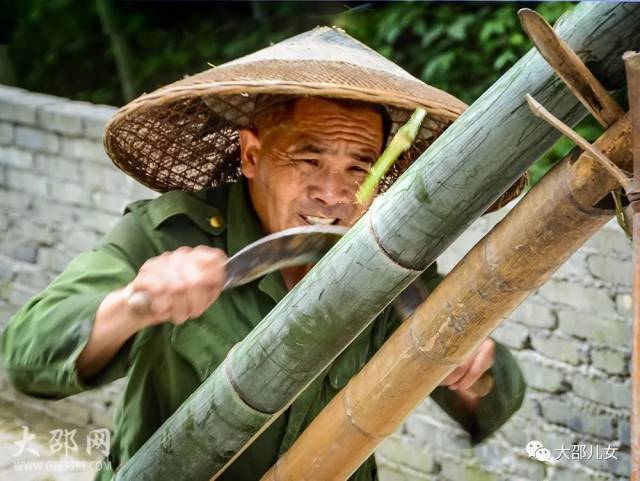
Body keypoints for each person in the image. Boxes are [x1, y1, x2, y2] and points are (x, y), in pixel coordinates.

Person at [0, 27, 526, 481]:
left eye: (358, 168)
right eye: (308, 159)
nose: (332, 194)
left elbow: (493, 393)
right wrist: (135, 304)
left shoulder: (384, 258)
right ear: (252, 155)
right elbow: (28, 350)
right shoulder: (170, 234)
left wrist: (471, 365)